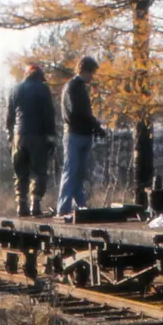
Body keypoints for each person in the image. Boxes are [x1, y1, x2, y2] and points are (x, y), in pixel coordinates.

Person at [6, 63, 56, 217]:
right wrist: (51, 136)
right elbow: (49, 114)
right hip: (37, 136)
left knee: (19, 171)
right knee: (38, 171)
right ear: (39, 76)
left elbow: (9, 116)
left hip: (18, 136)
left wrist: (10, 134)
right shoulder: (42, 89)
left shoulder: (15, 89)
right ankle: (35, 204)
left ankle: (21, 204)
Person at [57, 56, 106, 215]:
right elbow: (78, 112)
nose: (92, 76)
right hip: (75, 135)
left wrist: (94, 127)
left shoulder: (80, 87)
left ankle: (80, 206)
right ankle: (63, 208)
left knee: (78, 173)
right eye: (92, 72)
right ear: (85, 70)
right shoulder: (73, 87)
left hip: (82, 134)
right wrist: (96, 125)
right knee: (71, 171)